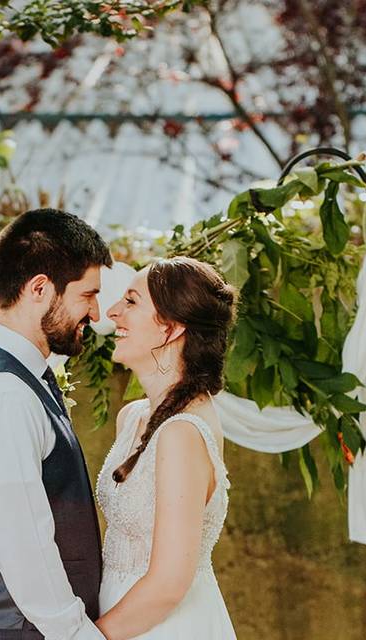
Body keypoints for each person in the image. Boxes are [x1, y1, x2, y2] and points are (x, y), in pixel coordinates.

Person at [0, 208, 112, 639]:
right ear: (39, 289)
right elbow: (23, 546)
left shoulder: (12, 373)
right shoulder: (6, 395)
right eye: (87, 295)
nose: (94, 312)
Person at [95, 256, 238, 639]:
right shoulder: (133, 418)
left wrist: (89, 637)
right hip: (121, 612)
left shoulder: (181, 433)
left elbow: (169, 583)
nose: (112, 312)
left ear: (171, 329)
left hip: (162, 626)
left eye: (131, 301)